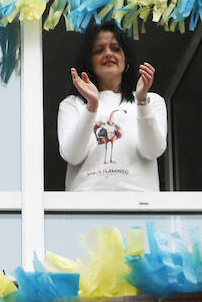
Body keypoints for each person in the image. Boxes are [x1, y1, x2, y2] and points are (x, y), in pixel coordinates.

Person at [57, 22, 167, 192]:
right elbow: (72, 156)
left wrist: (142, 101)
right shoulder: (73, 104)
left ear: (126, 59)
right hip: (84, 210)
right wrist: (92, 106)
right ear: (90, 62)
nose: (108, 53)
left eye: (115, 48)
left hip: (141, 207)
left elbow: (152, 151)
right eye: (99, 50)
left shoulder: (151, 100)